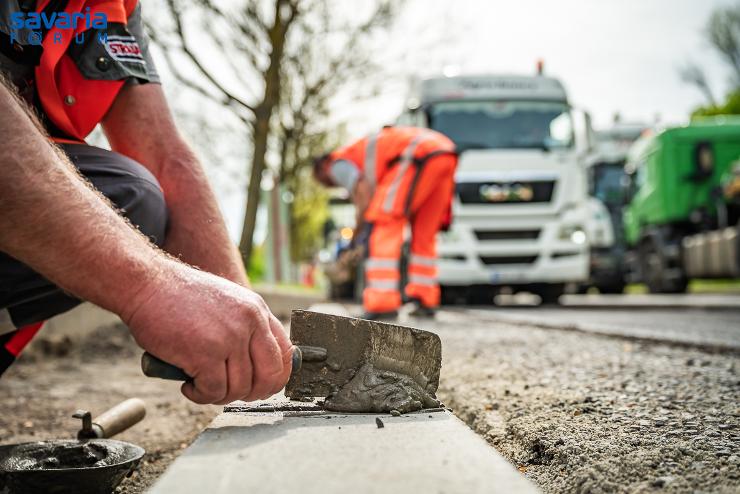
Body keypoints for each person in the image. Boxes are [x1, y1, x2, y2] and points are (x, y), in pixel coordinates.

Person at [0, 0, 293, 405]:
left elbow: (164, 155)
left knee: (135, 195)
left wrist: (248, 334)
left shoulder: (113, 6)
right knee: (127, 195)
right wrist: (150, 287)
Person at [314, 126, 457, 320]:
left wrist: (358, 234)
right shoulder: (362, 152)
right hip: (444, 153)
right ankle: (425, 299)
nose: (328, 184)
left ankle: (383, 303)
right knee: (424, 231)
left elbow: (363, 197)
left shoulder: (336, 164)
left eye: (322, 181)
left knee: (384, 222)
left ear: (322, 168)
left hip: (415, 156)